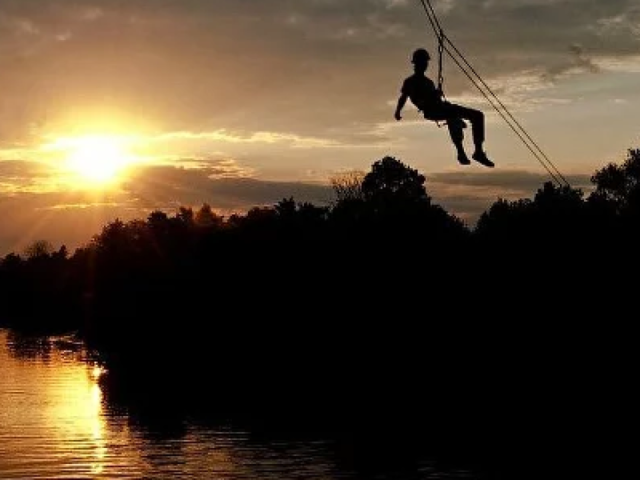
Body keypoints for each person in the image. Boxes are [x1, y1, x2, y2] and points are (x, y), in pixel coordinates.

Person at [394, 48, 494, 167]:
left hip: (442, 107)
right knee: (453, 116)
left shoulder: (429, 82)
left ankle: (478, 152)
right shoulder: (410, 82)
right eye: (423, 62)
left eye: (426, 62)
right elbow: (405, 97)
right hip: (431, 111)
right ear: (416, 63)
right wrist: (398, 111)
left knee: (477, 115)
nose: (425, 65)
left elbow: (436, 100)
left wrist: (436, 96)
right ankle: (460, 152)